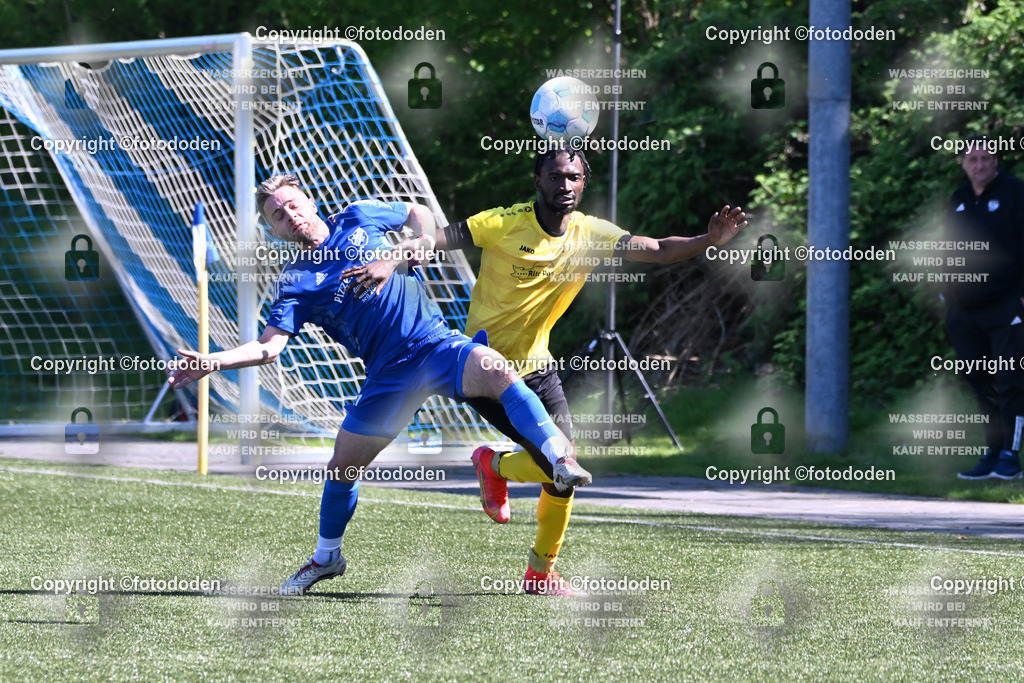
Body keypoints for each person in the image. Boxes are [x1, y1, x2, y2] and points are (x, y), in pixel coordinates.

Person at [344, 148, 747, 595]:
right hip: (484, 366)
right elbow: (435, 238)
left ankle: (534, 561)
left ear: (583, 183)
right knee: (557, 460)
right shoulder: (502, 222)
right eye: (556, 177)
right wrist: (393, 258)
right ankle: (497, 469)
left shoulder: (590, 233)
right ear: (537, 181)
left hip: (538, 366)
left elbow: (657, 249)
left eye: (574, 177)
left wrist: (708, 240)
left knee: (565, 468)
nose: (566, 185)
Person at [167, 173, 590, 595]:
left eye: (293, 205)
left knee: (497, 369)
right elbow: (268, 348)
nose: (290, 216)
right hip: (389, 377)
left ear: (310, 203)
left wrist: (419, 243)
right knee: (342, 467)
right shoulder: (297, 282)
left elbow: (416, 211)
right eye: (278, 215)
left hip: (436, 345)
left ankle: (559, 459)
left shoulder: (357, 216)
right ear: (274, 231)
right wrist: (213, 361)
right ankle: (326, 557)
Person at [943, 137, 1024, 480]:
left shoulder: (1015, 193)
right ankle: (991, 450)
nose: (979, 164)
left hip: (1007, 304)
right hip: (964, 309)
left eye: (986, 158)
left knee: (1010, 380)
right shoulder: (959, 199)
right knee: (980, 382)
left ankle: (1011, 454)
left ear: (996, 161)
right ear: (963, 163)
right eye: (972, 158)